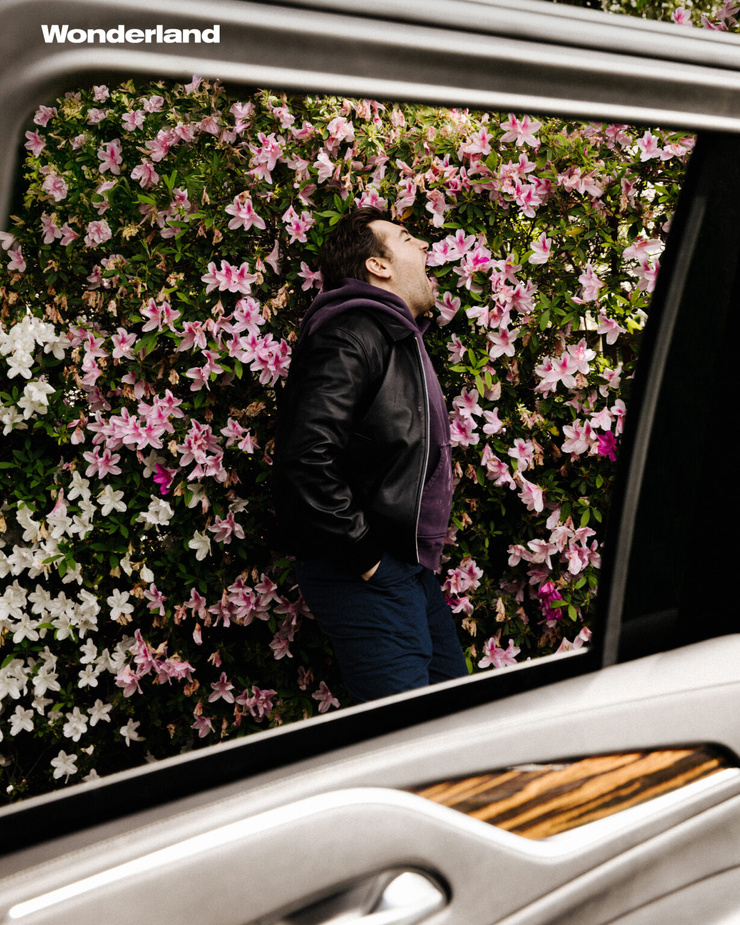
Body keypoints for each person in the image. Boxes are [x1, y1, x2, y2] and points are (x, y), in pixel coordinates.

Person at [273, 206, 468, 702]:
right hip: (365, 568)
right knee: (407, 732)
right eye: (406, 238)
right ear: (378, 265)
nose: (424, 245)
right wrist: (366, 557)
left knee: (455, 716)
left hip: (404, 565)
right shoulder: (351, 332)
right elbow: (306, 457)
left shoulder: (394, 333)